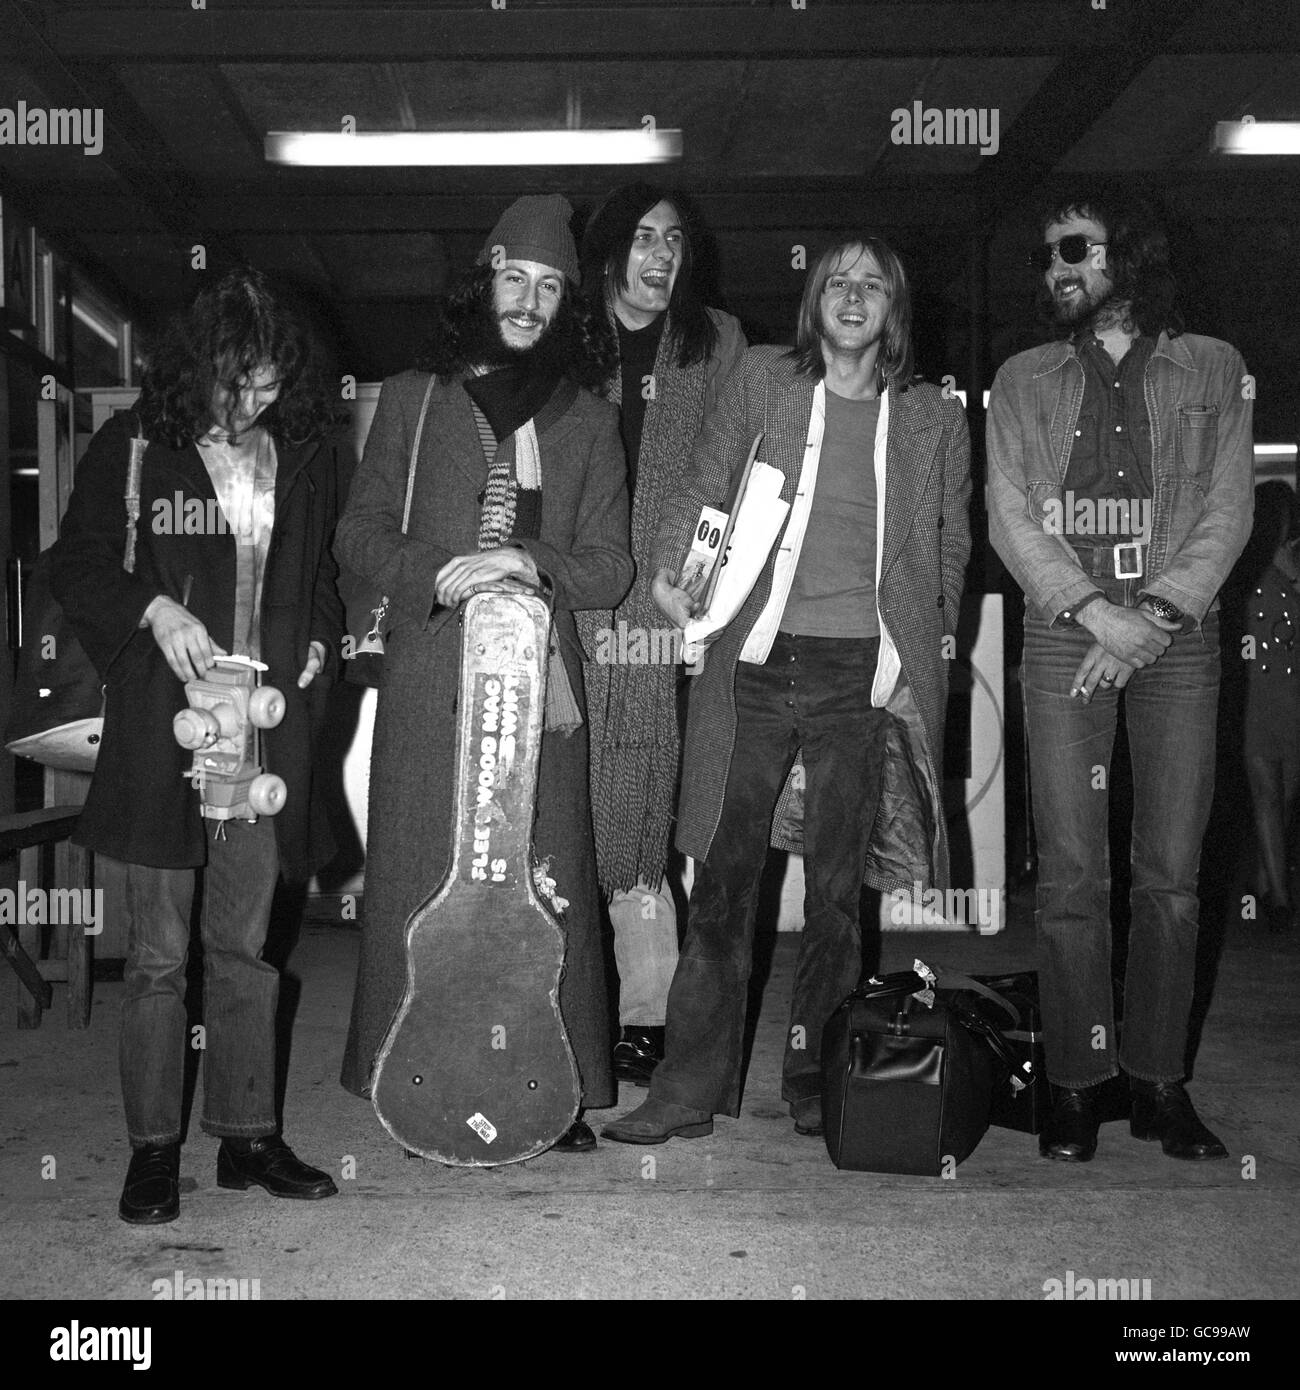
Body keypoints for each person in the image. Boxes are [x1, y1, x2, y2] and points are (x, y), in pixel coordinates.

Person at [603, 235, 971, 1144]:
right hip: (756, 664)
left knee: (840, 898)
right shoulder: (767, 380)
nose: (853, 296)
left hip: (861, 678)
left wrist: (915, 652)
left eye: (872, 284)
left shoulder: (933, 417)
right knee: (726, 883)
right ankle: (688, 1090)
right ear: (814, 304)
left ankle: (819, 1081)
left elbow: (950, 544)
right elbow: (705, 483)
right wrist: (675, 571)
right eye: (836, 281)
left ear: (894, 310)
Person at [336, 194, 633, 1152]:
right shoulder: (416, 398)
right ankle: (400, 1064)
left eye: (551, 288)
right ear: (486, 279)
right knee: (424, 868)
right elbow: (358, 530)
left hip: (540, 693)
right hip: (431, 679)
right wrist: (441, 570)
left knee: (547, 875)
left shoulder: (588, 420)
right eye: (517, 278)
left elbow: (613, 566)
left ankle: (557, 1077)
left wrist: (524, 561)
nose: (530, 300)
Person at [50, 267, 347, 1223]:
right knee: (156, 959)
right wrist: (153, 604)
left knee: (247, 949)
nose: (249, 399)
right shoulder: (135, 443)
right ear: (198, 367)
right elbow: (78, 561)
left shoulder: (301, 450)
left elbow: (327, 578)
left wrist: (314, 641)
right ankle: (151, 1151)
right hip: (162, 730)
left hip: (260, 736)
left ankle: (248, 1136)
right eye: (233, 379)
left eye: (266, 382)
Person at [986, 189, 1254, 1162]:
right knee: (1069, 876)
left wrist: (1154, 614)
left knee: (1172, 879)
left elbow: (1229, 508)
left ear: (1126, 256)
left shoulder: (1213, 367)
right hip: (1067, 630)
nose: (1055, 268)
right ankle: (1075, 1081)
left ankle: (1156, 1082)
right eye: (1045, 254)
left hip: (1178, 634)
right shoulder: (1020, 378)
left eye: (1074, 249)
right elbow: (1007, 514)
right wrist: (1092, 609)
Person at [576, 183, 746, 1086]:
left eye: (674, 240)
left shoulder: (714, 343)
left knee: (638, 805)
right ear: (610, 251)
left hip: (663, 600)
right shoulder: (568, 335)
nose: (659, 255)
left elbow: (731, 467)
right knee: (557, 804)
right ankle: (562, 1008)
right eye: (642, 237)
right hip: (569, 594)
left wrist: (684, 582)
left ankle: (646, 1019)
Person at [1235, 482, 1300, 932]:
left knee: (1284, 799)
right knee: (1267, 796)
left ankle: (1263, 882)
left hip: (1290, 693)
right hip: (1255, 693)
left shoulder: (1293, 560)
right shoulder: (1240, 563)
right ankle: (1278, 898)